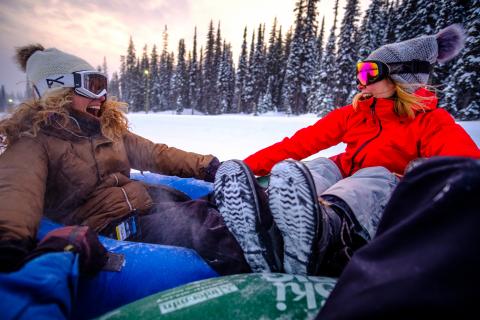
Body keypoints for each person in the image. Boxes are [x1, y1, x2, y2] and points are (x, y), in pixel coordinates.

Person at [213, 24, 480, 277]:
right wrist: (246, 168)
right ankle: (265, 218)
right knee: (318, 168)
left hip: (381, 202)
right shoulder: (357, 112)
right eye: (360, 71)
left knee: (373, 176)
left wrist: (419, 181)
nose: (360, 80)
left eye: (369, 72)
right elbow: (297, 144)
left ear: (400, 76)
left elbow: (466, 171)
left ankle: (322, 234)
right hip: (349, 179)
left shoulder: (431, 122)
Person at [0, 44, 251, 275]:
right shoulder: (34, 141)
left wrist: (208, 167)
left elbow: (156, 154)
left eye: (102, 86)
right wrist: (10, 243)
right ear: (57, 91)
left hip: (144, 204)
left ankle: (271, 229)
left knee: (209, 207)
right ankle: (260, 268)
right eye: (92, 86)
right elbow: (15, 190)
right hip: (108, 226)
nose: (101, 97)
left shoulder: (108, 130)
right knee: (203, 228)